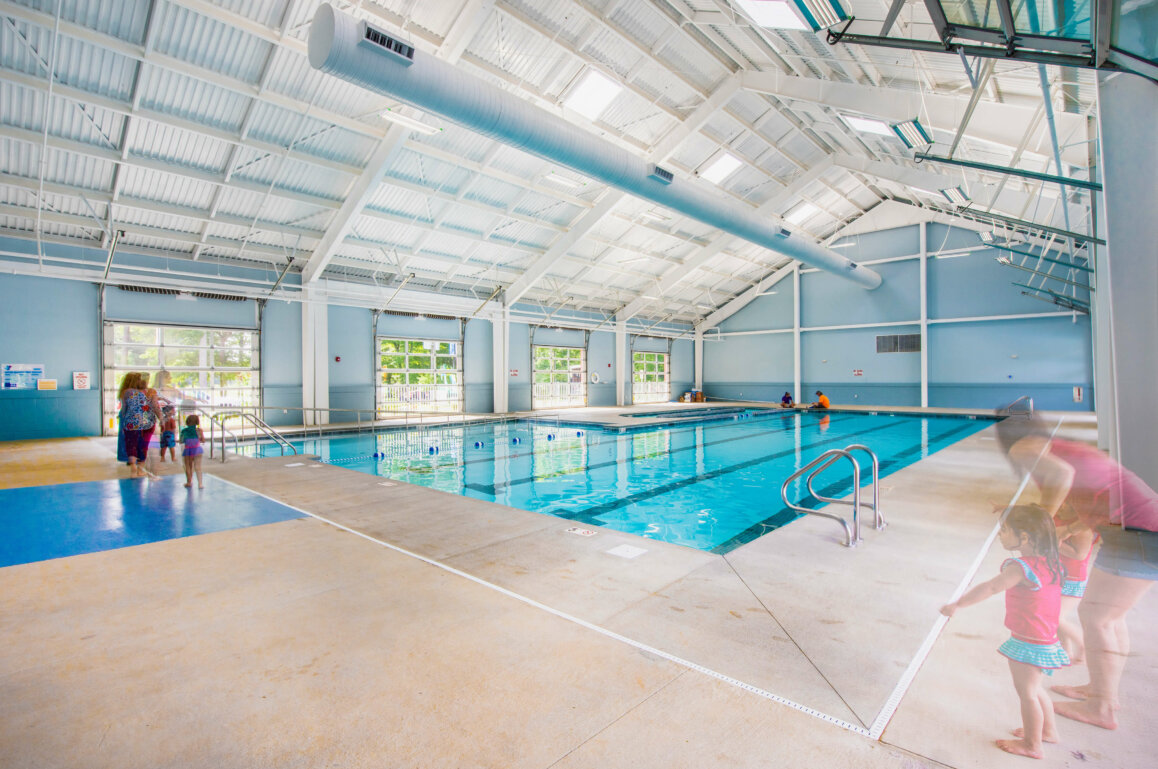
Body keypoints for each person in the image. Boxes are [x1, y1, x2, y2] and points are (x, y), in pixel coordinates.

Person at [999, 418, 1158, 731]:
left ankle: (1102, 707)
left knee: (1098, 618)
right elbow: (1099, 498)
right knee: (1111, 618)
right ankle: (1100, 691)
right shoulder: (1067, 448)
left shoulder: (1026, 446)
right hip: (1140, 527)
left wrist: (1040, 528)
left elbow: (1063, 476)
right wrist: (1067, 530)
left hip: (1139, 533)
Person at [941, 505, 1069, 759]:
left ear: (1024, 538)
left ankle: (1033, 744)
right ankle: (1048, 731)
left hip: (1029, 642)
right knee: (1036, 688)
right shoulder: (1051, 563)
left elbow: (992, 587)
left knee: (1027, 694)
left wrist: (958, 604)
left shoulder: (1021, 567)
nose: (1000, 535)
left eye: (1005, 530)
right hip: (1045, 639)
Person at [118, 371, 161, 478]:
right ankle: (140, 468)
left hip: (130, 422)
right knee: (143, 445)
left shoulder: (126, 392)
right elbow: (155, 406)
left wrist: (123, 421)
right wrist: (161, 418)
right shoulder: (150, 392)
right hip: (146, 421)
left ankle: (133, 467)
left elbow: (124, 409)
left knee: (131, 444)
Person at [181, 414, 205, 489]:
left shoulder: (184, 431)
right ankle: (200, 484)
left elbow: (181, 441)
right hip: (197, 449)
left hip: (188, 450)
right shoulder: (199, 430)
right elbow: (203, 440)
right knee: (198, 467)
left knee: (188, 466)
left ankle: (189, 482)